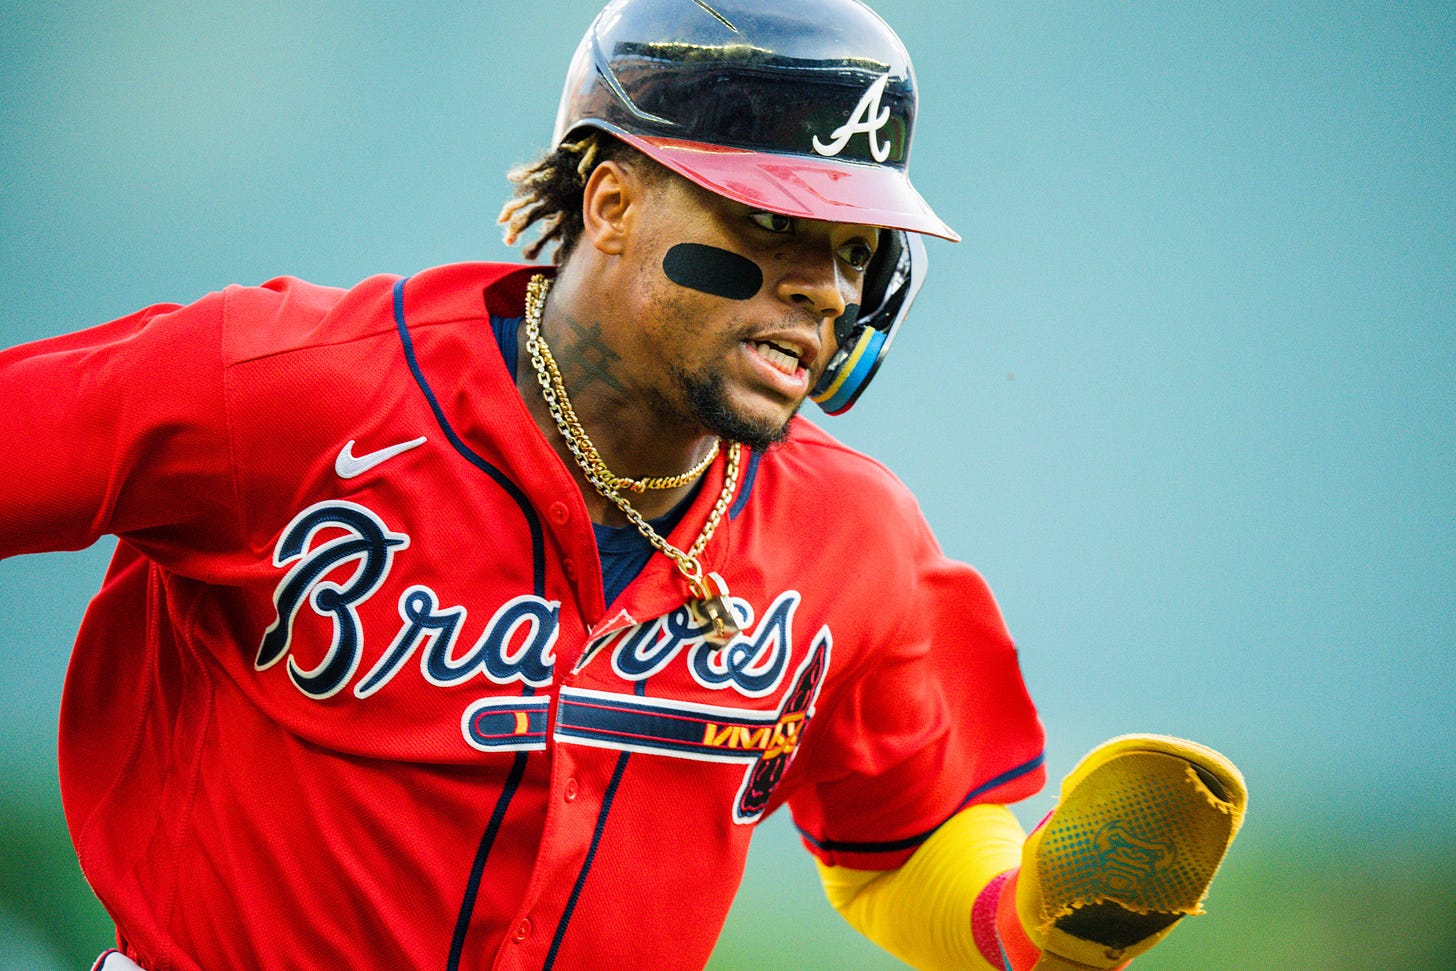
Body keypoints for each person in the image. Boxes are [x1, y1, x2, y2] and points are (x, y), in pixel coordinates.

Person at [0, 1, 1246, 969]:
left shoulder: (855, 535)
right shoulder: (285, 388)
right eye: (771, 226)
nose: (821, 288)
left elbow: (907, 834)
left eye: (853, 249)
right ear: (609, 201)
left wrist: (1025, 916)